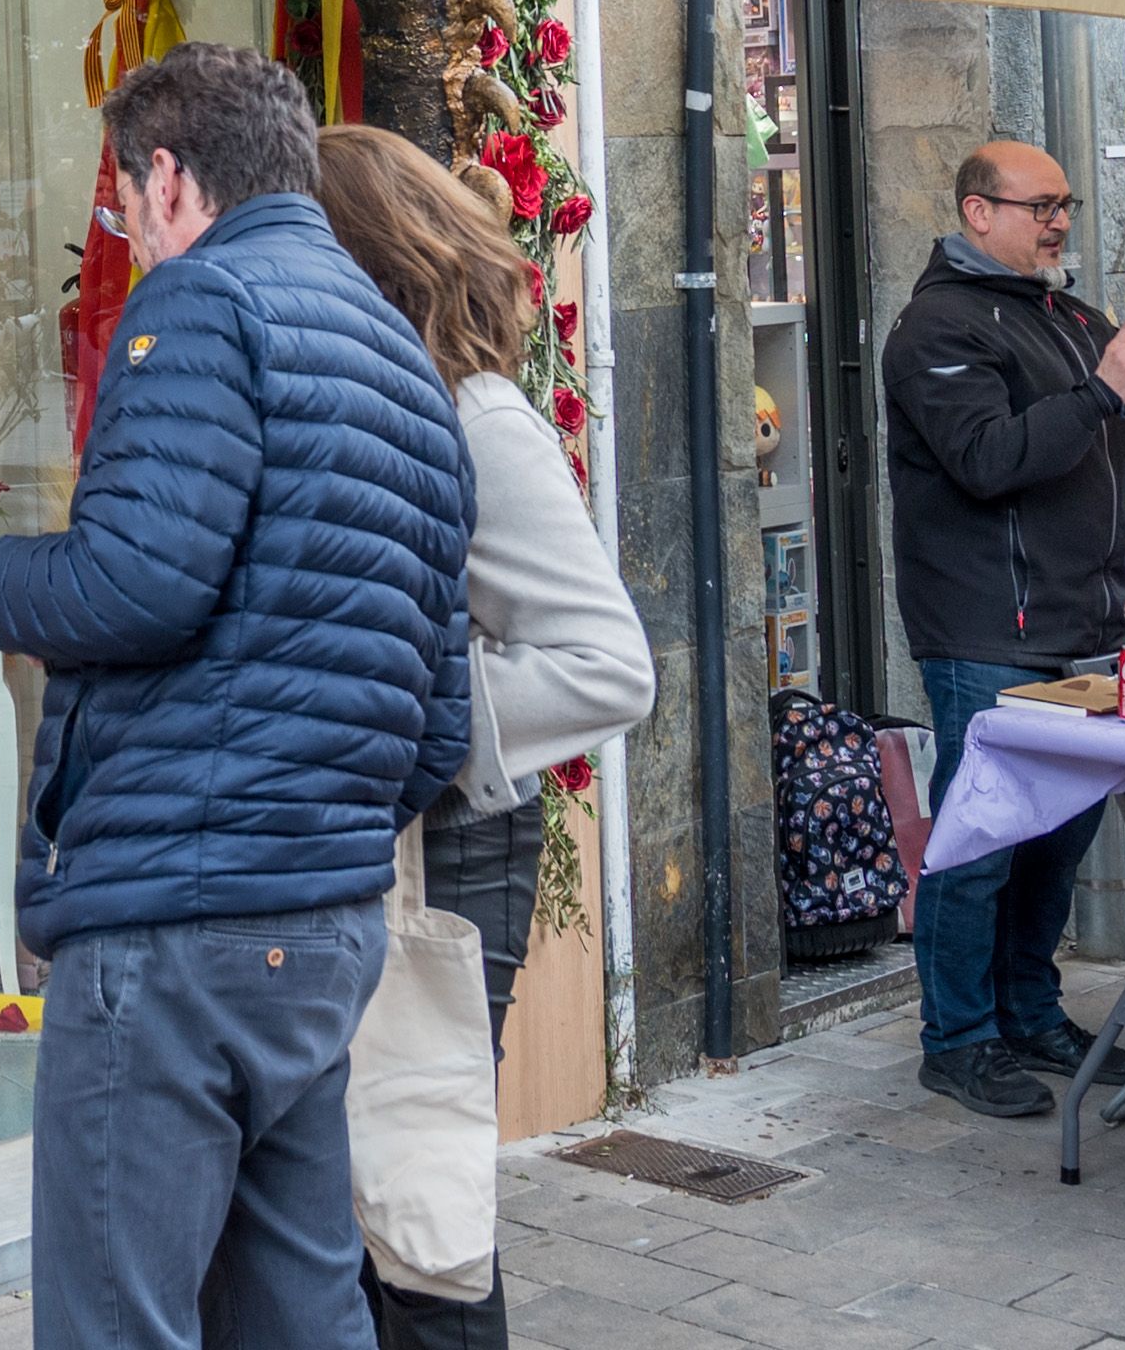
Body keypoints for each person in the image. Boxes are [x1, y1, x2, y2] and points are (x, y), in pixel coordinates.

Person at [0, 45, 474, 1350]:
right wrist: (317, 817)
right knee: (300, 1314)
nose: (126, 227)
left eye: (125, 196)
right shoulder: (401, 359)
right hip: (321, 918)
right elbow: (437, 715)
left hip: (178, 919)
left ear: (168, 179)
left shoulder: (194, 308)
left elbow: (135, 583)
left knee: (115, 1323)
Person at [307, 126, 657, 1350]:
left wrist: (402, 700)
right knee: (370, 1194)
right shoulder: (369, 402)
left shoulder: (476, 413)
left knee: (422, 1201)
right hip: (375, 837)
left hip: (451, 844)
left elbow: (609, 666)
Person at [883, 140, 1125, 1120]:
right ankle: (955, 1038)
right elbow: (987, 459)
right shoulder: (935, 326)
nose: (1058, 221)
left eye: (1064, 204)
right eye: (1039, 205)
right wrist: (1100, 390)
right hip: (987, 625)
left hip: (1085, 622)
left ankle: (1030, 1010)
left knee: (1057, 839)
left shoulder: (1071, 316)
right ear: (977, 210)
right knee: (980, 840)